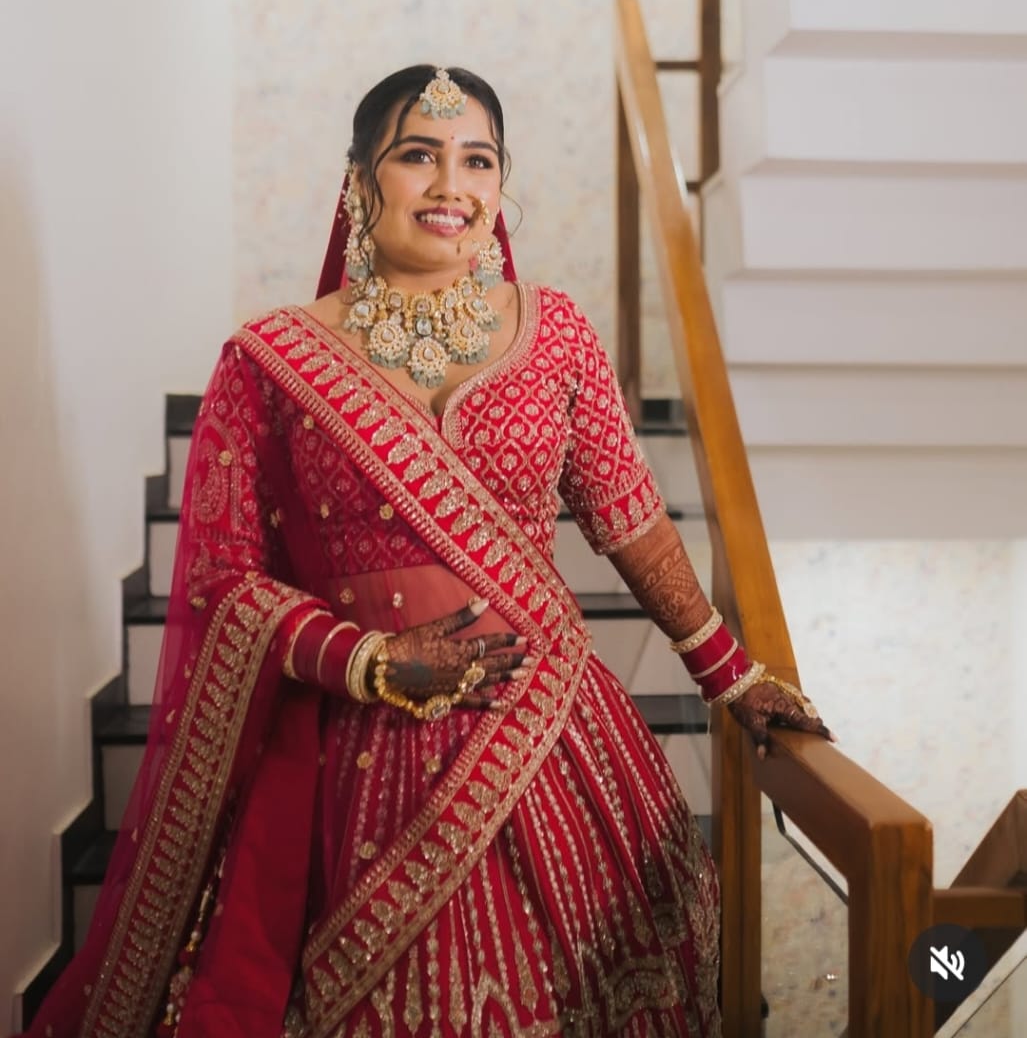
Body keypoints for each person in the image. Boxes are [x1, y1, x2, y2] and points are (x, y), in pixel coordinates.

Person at [23, 66, 830, 1038]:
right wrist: (366, 659)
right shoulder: (271, 359)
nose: (453, 185)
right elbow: (222, 581)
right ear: (360, 180)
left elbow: (631, 522)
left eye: (478, 160)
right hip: (367, 753)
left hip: (555, 735)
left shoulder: (557, 333)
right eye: (418, 155)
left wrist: (731, 675)